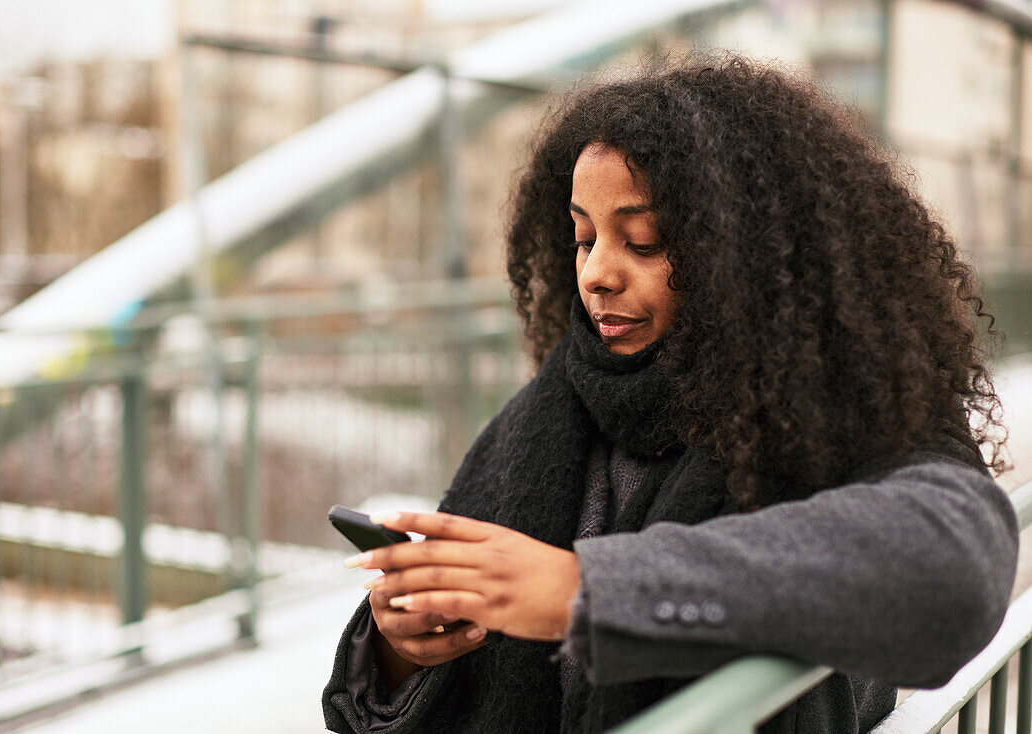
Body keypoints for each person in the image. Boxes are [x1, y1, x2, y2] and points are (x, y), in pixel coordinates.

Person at [322, 53, 1019, 734]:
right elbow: (410, 681)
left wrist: (587, 591)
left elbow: (955, 573)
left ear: (742, 250)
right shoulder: (546, 411)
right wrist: (400, 647)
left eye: (645, 242)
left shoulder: (836, 411)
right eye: (583, 237)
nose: (596, 273)